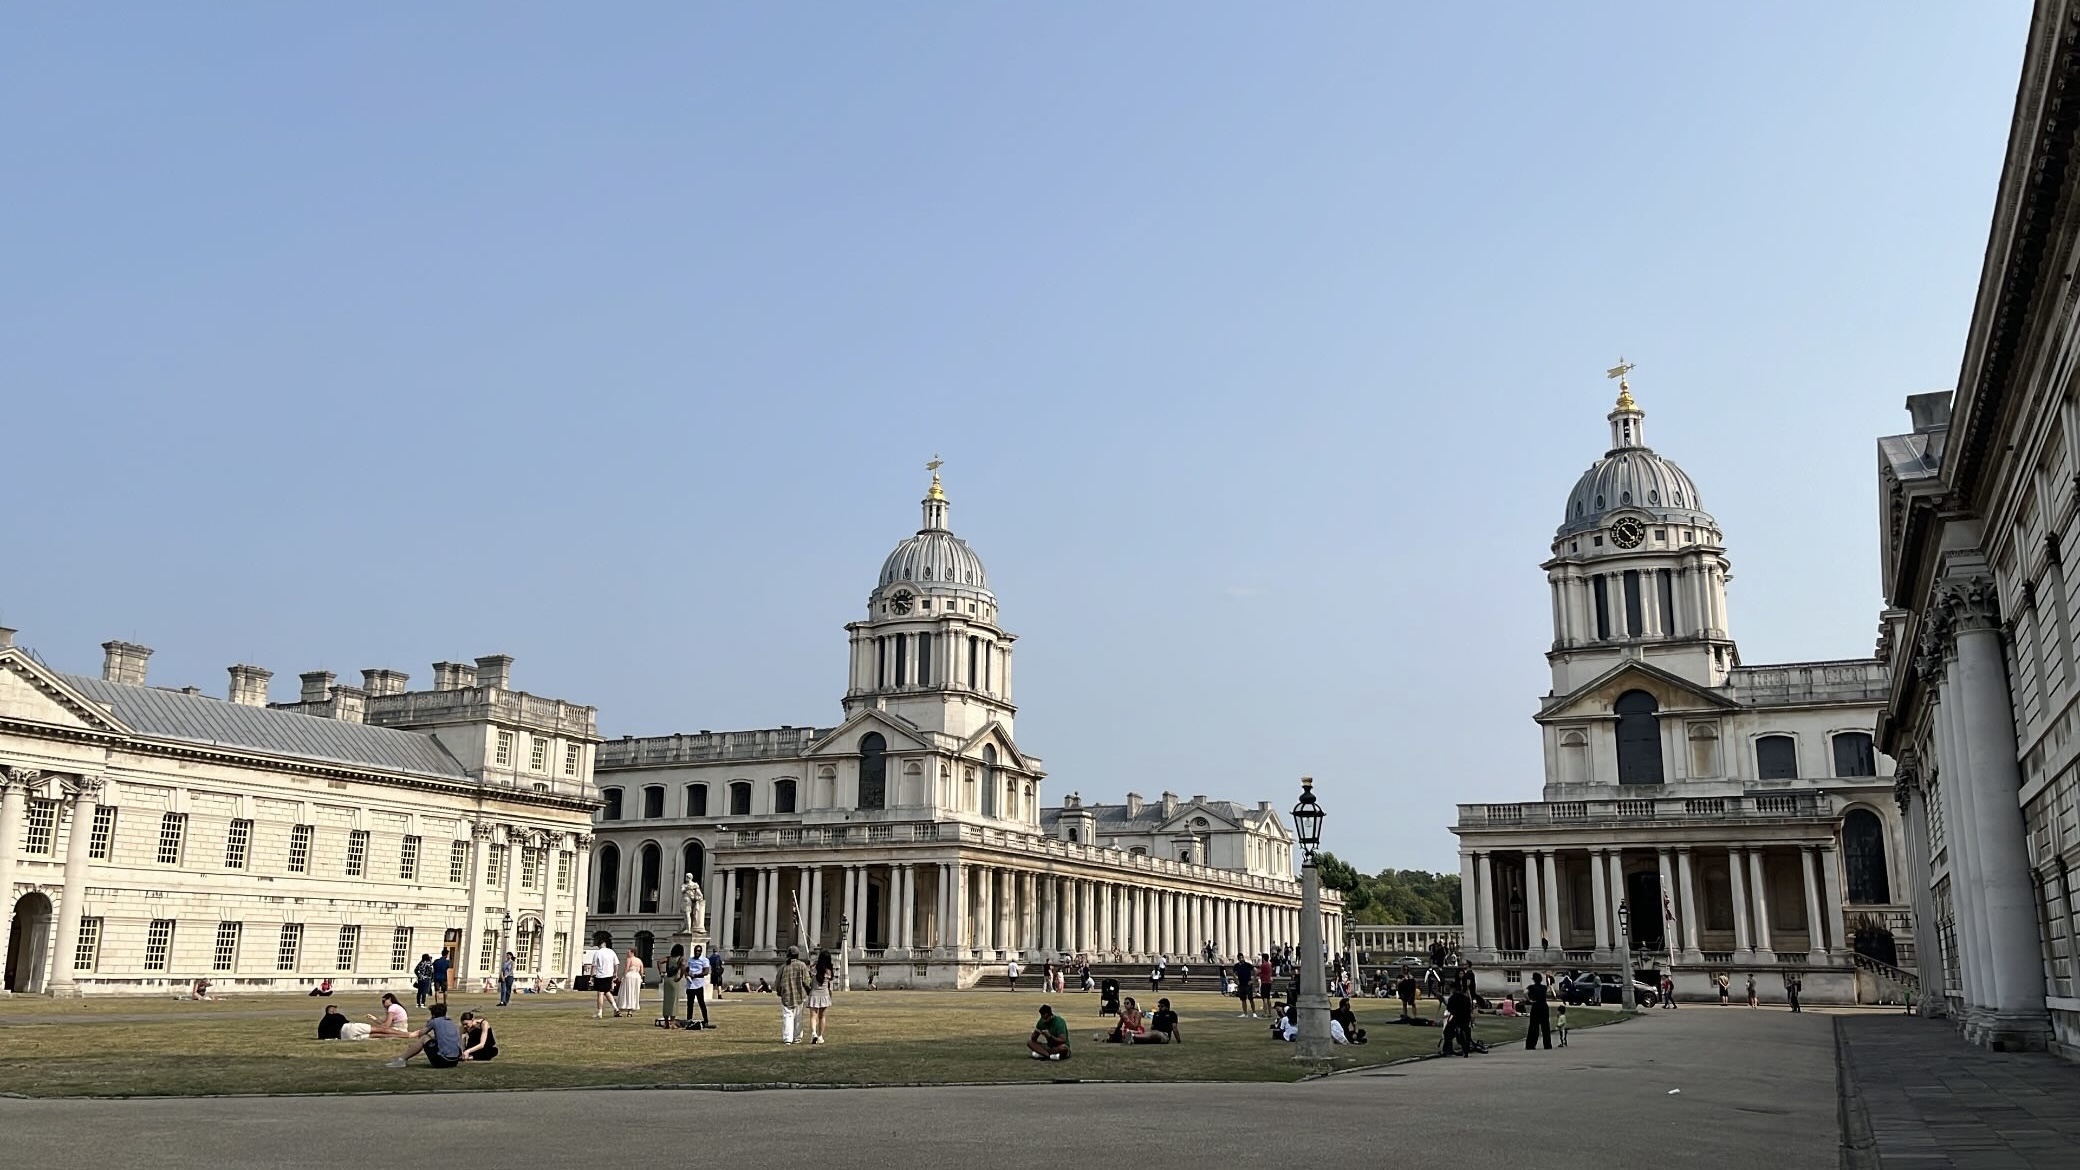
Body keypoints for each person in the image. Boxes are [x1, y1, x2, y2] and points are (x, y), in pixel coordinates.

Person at [385, 1002, 463, 1069]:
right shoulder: (451, 1022)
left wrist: (429, 1023)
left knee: (424, 1038)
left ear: (433, 1014)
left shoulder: (434, 1021)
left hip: (442, 1061)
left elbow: (421, 1034)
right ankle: (403, 1058)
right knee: (431, 1039)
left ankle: (402, 1059)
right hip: (454, 1061)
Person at [777, 945, 813, 1044]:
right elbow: (806, 981)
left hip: (786, 995)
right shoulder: (802, 965)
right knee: (798, 1017)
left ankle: (787, 1038)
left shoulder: (783, 967)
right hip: (799, 995)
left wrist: (779, 992)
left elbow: (778, 981)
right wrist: (809, 991)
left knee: (787, 1017)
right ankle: (797, 1037)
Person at [587, 932, 619, 1020]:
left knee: (600, 993)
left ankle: (599, 1012)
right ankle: (616, 1008)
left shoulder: (598, 953)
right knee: (607, 991)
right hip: (609, 974)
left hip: (600, 975)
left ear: (599, 945)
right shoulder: (611, 952)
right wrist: (615, 973)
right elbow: (616, 963)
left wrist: (591, 976)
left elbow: (594, 966)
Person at [807, 949, 836, 1044]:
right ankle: (820, 1036)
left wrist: (812, 964)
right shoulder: (829, 971)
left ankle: (813, 1033)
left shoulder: (814, 968)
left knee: (813, 1016)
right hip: (824, 994)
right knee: (822, 1017)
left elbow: (809, 977)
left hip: (814, 993)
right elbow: (830, 984)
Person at [1441, 984, 1475, 1057]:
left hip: (1457, 1018)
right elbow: (1469, 1008)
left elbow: (1449, 1009)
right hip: (1466, 1018)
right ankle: (1466, 1049)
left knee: (1447, 1032)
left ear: (1453, 989)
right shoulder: (1466, 998)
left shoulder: (1453, 998)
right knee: (1466, 1032)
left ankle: (1447, 1049)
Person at [685, 944, 712, 1030]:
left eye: (699, 951)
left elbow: (706, 972)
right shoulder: (690, 960)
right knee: (690, 1004)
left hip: (698, 984)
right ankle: (689, 1020)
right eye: (696, 951)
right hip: (690, 985)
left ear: (701, 952)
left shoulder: (704, 960)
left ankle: (706, 1020)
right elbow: (687, 969)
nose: (697, 952)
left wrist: (696, 975)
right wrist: (687, 975)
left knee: (701, 1003)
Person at [1524, 972, 1552, 1050]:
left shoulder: (1531, 987)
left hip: (1536, 1006)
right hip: (1544, 1006)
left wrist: (1529, 1000)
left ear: (1534, 979)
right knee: (1545, 1026)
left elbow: (1525, 993)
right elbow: (1549, 990)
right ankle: (1547, 1044)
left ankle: (1531, 1045)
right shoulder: (1544, 987)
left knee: (1533, 1026)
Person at [616, 947, 645, 1017]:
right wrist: (641, 978)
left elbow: (626, 968)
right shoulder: (639, 960)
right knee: (634, 992)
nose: (627, 953)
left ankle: (623, 1007)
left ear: (632, 953)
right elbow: (642, 971)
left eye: (628, 952)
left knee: (626, 992)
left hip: (629, 976)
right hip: (637, 977)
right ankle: (630, 1010)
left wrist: (623, 976)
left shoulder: (629, 959)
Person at [660, 945, 684, 1027]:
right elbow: (683, 966)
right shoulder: (681, 958)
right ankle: (672, 1022)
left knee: (666, 1000)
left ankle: (666, 1022)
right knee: (674, 1000)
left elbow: (659, 961)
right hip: (675, 979)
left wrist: (661, 972)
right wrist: (681, 976)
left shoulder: (669, 958)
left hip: (667, 979)